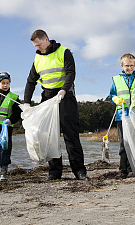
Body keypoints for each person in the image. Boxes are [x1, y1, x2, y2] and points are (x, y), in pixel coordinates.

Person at [23, 29, 87, 181]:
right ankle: (54, 172)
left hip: (65, 96)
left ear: (46, 39)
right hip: (47, 98)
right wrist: (26, 102)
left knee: (71, 136)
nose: (37, 48)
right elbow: (30, 81)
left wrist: (64, 90)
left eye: (38, 45)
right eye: (35, 46)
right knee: (49, 136)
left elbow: (71, 72)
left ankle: (79, 171)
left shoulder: (64, 52)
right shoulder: (37, 59)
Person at [109, 53, 135, 179]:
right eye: (127, 66)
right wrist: (115, 99)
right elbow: (112, 94)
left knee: (134, 142)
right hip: (121, 116)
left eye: (132, 66)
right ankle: (123, 170)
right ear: (122, 65)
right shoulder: (116, 80)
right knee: (124, 143)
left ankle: (133, 168)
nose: (129, 68)